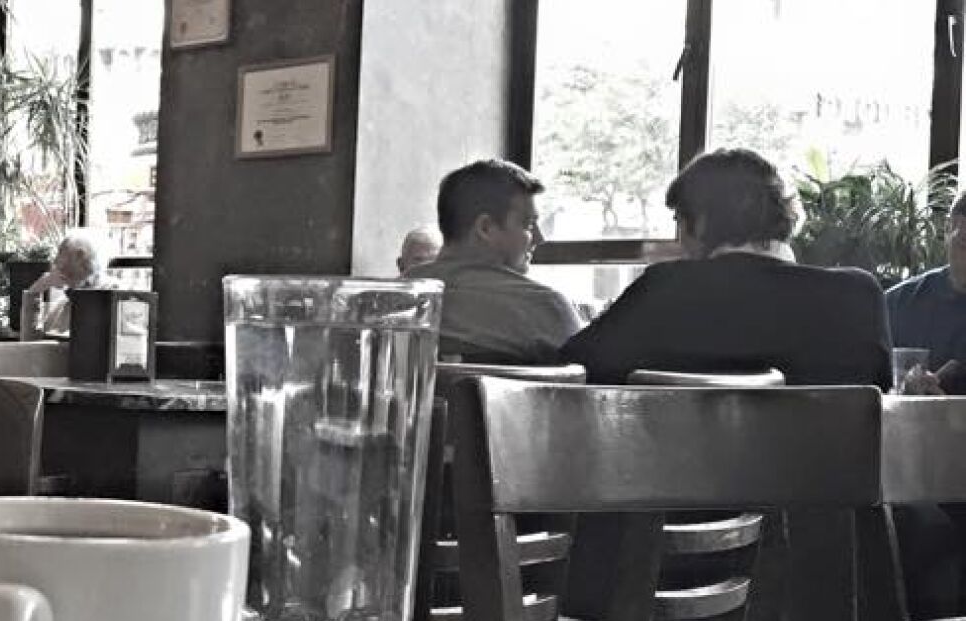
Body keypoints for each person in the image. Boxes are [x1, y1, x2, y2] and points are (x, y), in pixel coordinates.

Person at [560, 148, 890, 387]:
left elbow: (570, 369)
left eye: (679, 221)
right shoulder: (857, 295)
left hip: (675, 479)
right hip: (825, 481)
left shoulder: (666, 289)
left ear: (700, 222)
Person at [410, 160, 580, 363]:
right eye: (528, 224)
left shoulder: (393, 303)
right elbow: (595, 380)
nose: (539, 238)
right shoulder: (546, 307)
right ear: (486, 228)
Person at [885, 194, 966, 394]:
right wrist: (905, 391)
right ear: (948, 229)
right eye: (965, 243)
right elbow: (872, 385)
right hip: (911, 422)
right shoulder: (897, 304)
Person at [19, 229, 108, 340]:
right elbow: (30, 343)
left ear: (80, 256)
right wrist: (35, 291)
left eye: (61, 253)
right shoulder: (62, 305)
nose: (55, 261)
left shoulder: (110, 296)